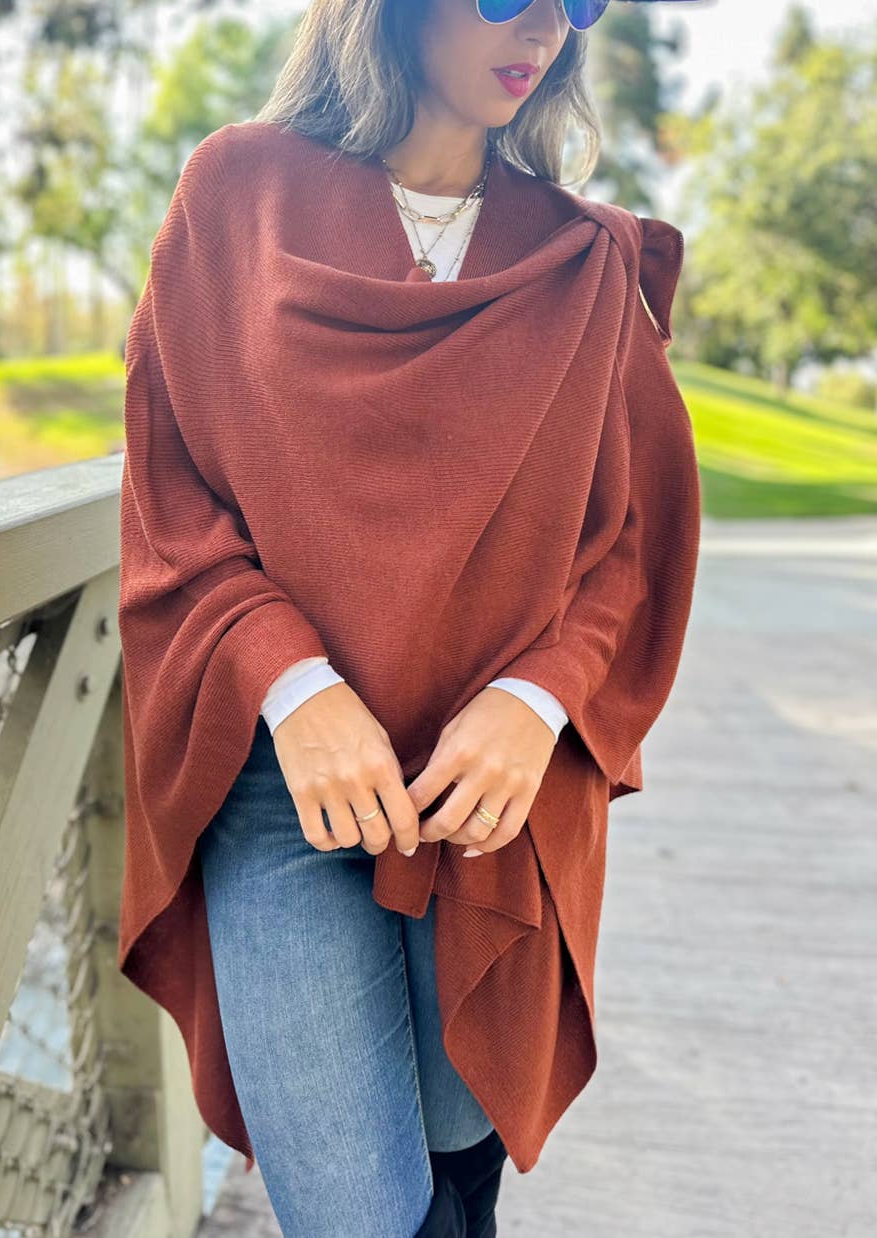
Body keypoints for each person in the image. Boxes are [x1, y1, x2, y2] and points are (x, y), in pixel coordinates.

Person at [115, 2, 702, 1236]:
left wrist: (535, 700)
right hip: (286, 792)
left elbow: (630, 546)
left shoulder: (583, 260)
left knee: (453, 1170)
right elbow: (172, 499)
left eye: (575, 3)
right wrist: (293, 683)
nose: (543, 28)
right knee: (360, 1214)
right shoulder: (237, 194)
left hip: (488, 803)